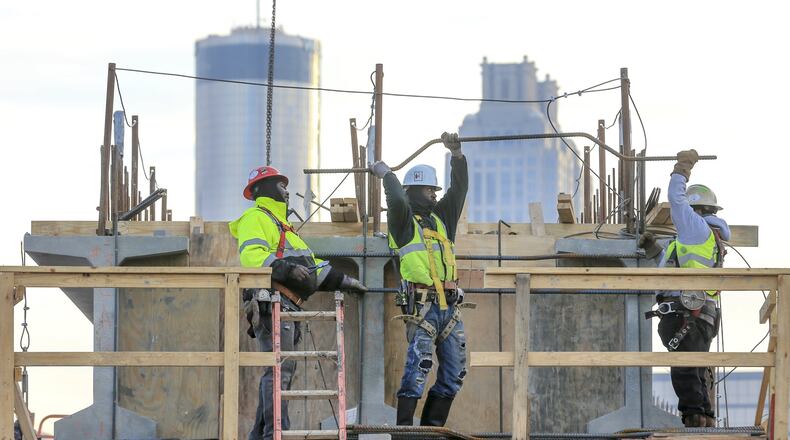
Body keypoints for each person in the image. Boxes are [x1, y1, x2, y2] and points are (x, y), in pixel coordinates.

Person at [229, 165, 367, 440]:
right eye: (279, 185)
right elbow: (252, 257)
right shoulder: (255, 218)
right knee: (280, 371)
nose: (286, 190)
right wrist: (284, 269)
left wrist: (342, 280)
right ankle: (275, 434)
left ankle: (261, 435)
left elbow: (311, 266)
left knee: (279, 370)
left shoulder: (284, 227)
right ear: (262, 189)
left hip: (287, 304)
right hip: (272, 302)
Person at [370, 132, 469, 427]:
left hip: (450, 307)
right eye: (429, 190)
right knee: (418, 369)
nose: (435, 195)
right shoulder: (402, 221)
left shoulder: (442, 220)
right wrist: (386, 174)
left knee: (455, 373)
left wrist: (457, 156)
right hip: (422, 308)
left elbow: (459, 190)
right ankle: (405, 431)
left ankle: (431, 430)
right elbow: (397, 197)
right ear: (414, 190)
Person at [643, 149, 730, 428]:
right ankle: (704, 418)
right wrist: (655, 251)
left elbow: (676, 199)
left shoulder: (695, 227)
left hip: (686, 314)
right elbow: (677, 267)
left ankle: (695, 421)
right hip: (699, 315)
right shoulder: (702, 239)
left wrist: (683, 167)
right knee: (693, 370)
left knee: (684, 369)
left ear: (697, 211)